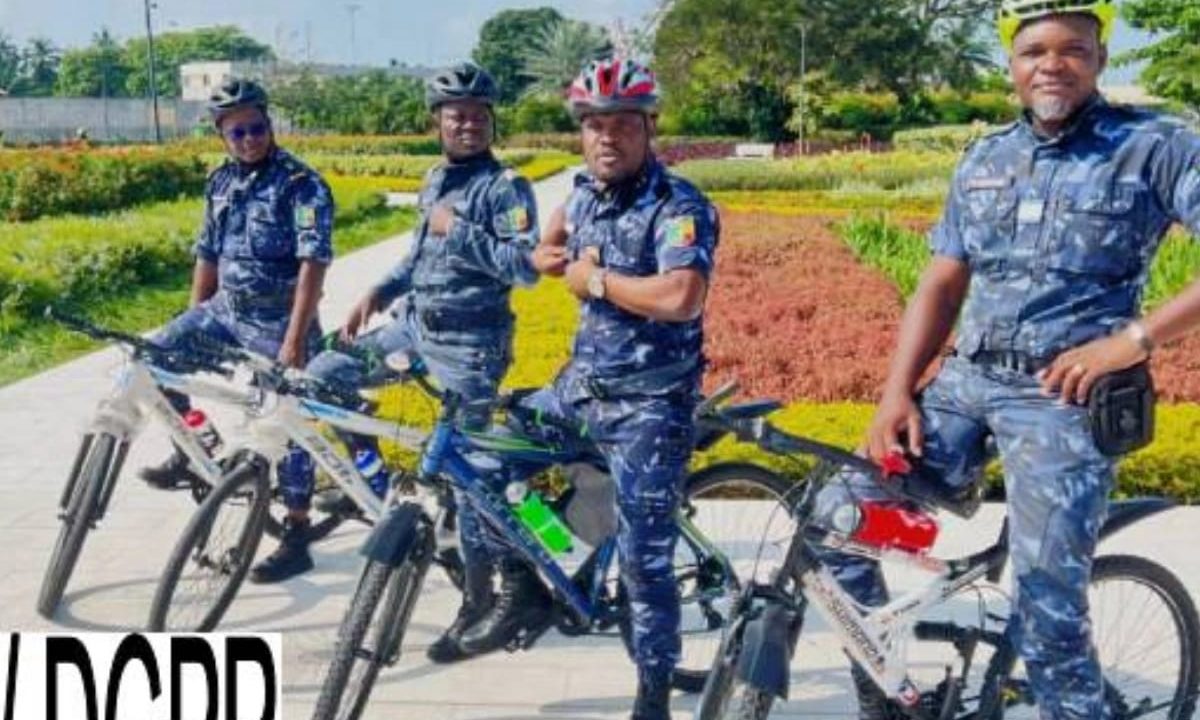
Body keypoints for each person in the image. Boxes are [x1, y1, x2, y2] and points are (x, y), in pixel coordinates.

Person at [815, 2, 1200, 717]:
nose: (1052, 65)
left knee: (1047, 612)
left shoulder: (1154, 145)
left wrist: (1133, 341)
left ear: (1100, 59)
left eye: (1072, 49)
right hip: (966, 384)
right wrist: (896, 392)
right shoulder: (986, 157)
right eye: (1034, 52)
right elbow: (942, 279)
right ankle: (887, 700)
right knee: (838, 520)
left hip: (1062, 400)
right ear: (1012, 66)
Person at [248, 62, 561, 668]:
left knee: (470, 479)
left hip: (470, 345)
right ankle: (371, 475)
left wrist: (458, 226)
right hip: (412, 328)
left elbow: (523, 269)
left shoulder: (506, 187)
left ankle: (479, 602)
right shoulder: (434, 177)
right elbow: (419, 254)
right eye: (456, 115)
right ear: (437, 122)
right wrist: (379, 291)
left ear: (491, 121)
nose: (467, 124)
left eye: (478, 115)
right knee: (322, 377)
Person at [454, 57, 720, 720]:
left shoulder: (678, 205)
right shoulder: (582, 194)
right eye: (595, 125)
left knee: (643, 562)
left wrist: (595, 281)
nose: (608, 137)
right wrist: (551, 258)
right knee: (480, 461)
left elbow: (681, 297)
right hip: (577, 392)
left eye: (623, 124)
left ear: (650, 127)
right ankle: (528, 583)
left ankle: (653, 693)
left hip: (649, 408)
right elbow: (550, 248)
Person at [138, 79, 332, 499]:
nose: (248, 140)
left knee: (286, 419)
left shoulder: (302, 184)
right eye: (237, 132)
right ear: (221, 136)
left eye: (256, 129)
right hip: (225, 311)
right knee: (154, 360)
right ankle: (194, 449)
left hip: (279, 321)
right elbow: (207, 253)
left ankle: (297, 520)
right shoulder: (220, 182)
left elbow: (313, 263)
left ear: (269, 125)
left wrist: (294, 339)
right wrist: (195, 314)